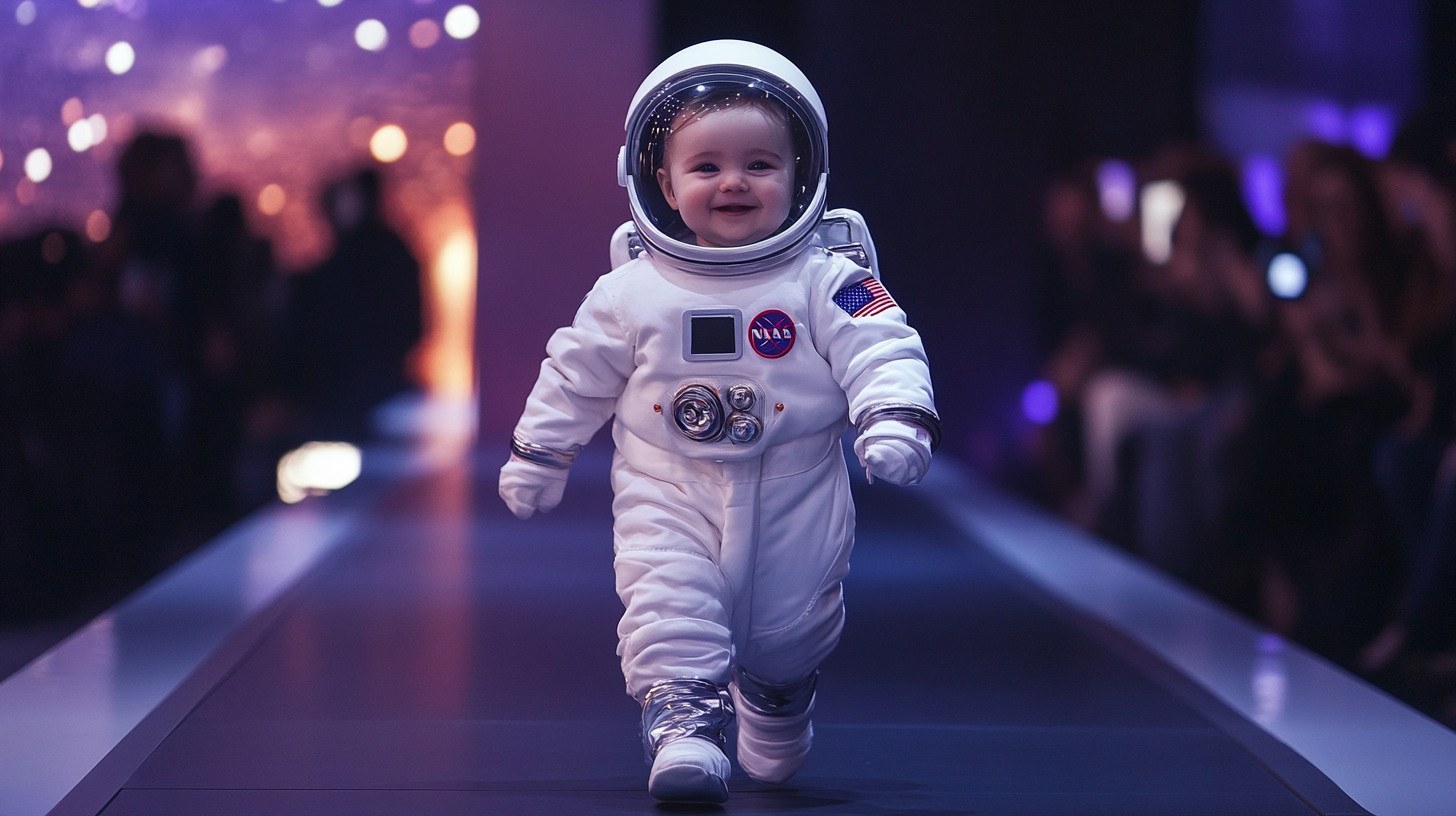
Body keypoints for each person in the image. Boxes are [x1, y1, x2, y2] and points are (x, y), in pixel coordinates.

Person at [498, 40, 940, 803]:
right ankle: (684, 726)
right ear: (661, 182)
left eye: (759, 165)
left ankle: (777, 693)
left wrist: (891, 418)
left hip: (797, 486)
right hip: (667, 485)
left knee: (790, 625)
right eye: (706, 167)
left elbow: (882, 345)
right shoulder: (630, 291)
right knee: (668, 601)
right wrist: (542, 452)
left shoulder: (826, 277)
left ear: (800, 173)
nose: (733, 181)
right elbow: (576, 371)